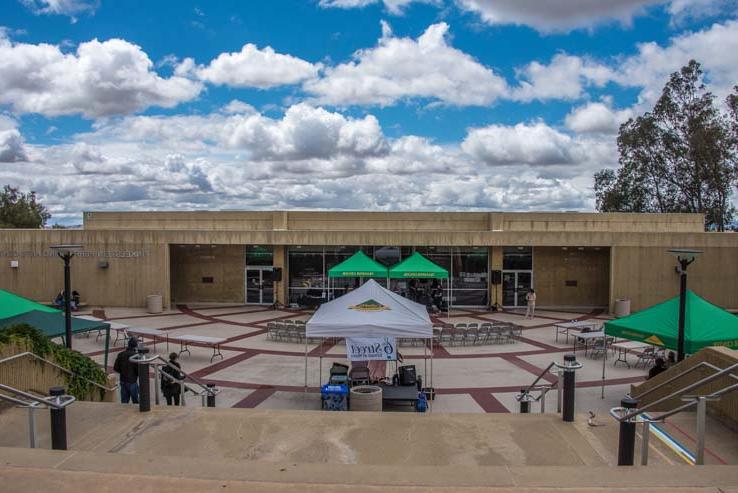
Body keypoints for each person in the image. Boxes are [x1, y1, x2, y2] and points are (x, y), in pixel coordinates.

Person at [113, 337, 140, 404]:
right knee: (136, 401)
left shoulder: (121, 354)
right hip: (132, 381)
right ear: (135, 346)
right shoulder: (136, 356)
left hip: (123, 380)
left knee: (124, 402)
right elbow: (139, 370)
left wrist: (123, 372)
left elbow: (116, 367)